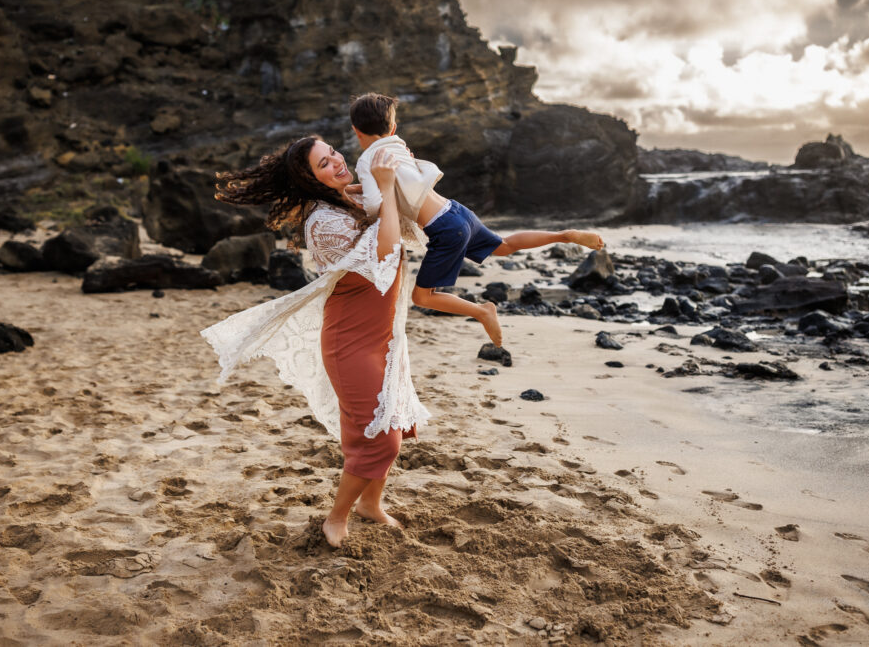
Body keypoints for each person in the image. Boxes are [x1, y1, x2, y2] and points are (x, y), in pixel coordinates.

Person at [200, 136, 427, 548]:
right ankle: (336, 517)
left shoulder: (354, 199)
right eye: (325, 164)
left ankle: (371, 504)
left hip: (383, 336)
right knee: (377, 438)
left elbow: (411, 225)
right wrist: (388, 190)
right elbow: (387, 248)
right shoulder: (322, 223)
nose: (338, 162)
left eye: (335, 153)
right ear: (310, 179)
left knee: (394, 422)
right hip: (352, 343)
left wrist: (394, 175)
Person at [350, 92, 608, 347]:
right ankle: (564, 235)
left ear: (356, 131)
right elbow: (395, 183)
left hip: (445, 229)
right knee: (505, 246)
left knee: (422, 297)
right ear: (393, 127)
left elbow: (376, 203)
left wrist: (358, 198)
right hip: (456, 211)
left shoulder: (366, 161)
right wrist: (355, 188)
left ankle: (483, 311)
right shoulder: (396, 146)